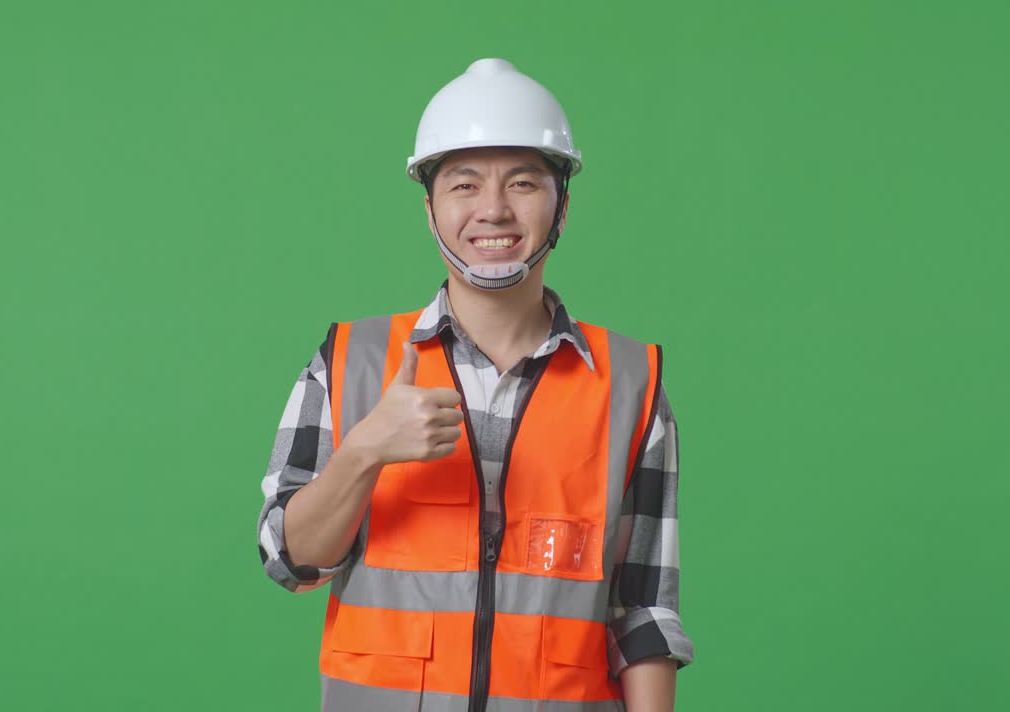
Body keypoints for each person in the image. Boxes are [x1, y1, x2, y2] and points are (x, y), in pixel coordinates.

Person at [257, 58, 693, 712]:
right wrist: (365, 450)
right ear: (430, 208)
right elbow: (292, 562)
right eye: (464, 185)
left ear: (562, 208)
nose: (493, 209)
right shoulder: (352, 361)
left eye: (523, 182)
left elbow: (644, 611)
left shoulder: (629, 382)